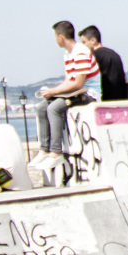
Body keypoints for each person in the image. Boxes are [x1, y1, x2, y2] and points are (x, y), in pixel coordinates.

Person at [31, 22, 99, 171]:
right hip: (76, 91)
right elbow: (69, 80)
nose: (55, 39)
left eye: (55, 36)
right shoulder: (68, 54)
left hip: (89, 94)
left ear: (61, 37)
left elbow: (78, 83)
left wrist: (54, 92)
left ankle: (56, 153)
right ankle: (44, 150)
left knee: (53, 109)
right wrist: (52, 91)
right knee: (42, 107)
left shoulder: (80, 52)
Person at [79, 25, 128, 102]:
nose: (83, 46)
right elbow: (124, 79)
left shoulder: (94, 57)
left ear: (93, 40)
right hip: (121, 100)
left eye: (84, 42)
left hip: (105, 101)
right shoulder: (114, 54)